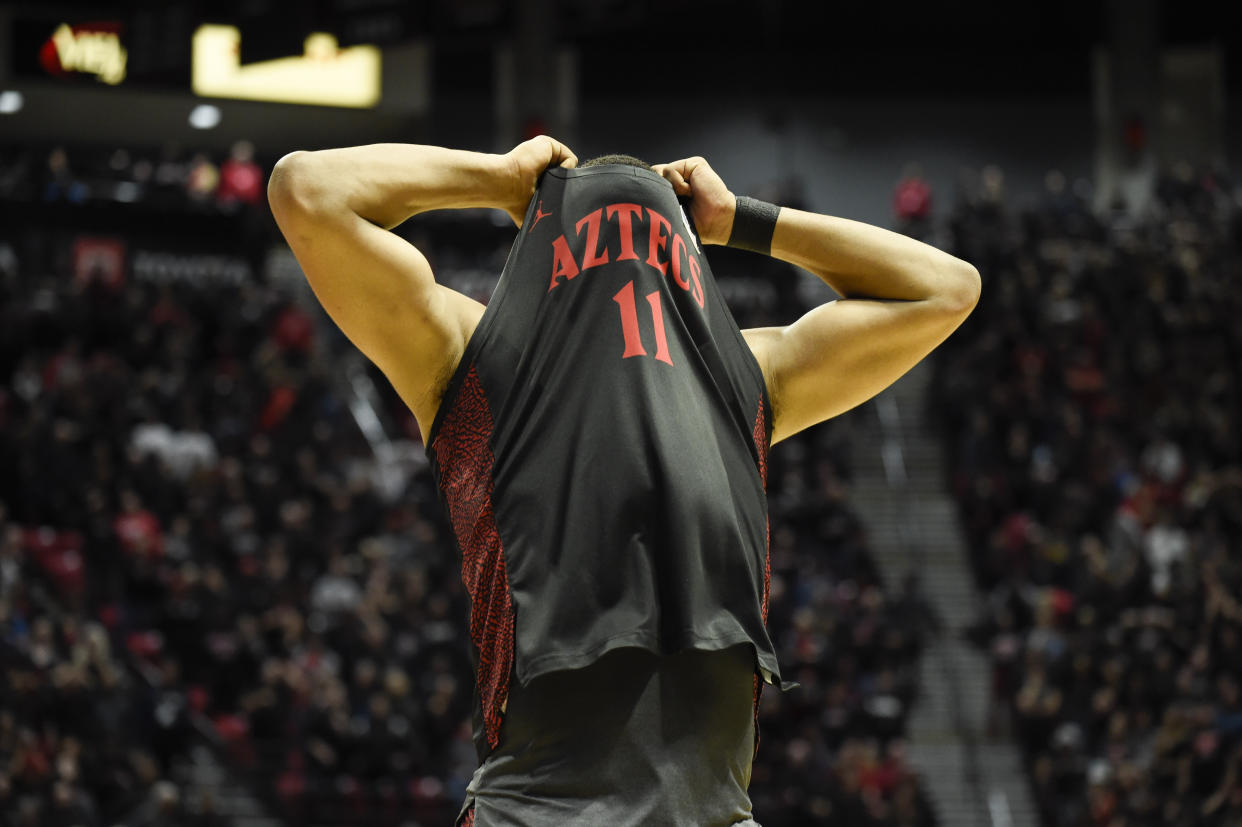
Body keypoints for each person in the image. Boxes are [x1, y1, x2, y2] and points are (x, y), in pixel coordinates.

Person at [267, 135, 979, 826]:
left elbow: (949, 289)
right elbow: (305, 190)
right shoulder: (482, 354)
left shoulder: (737, 375)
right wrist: (504, 178)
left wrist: (733, 218)